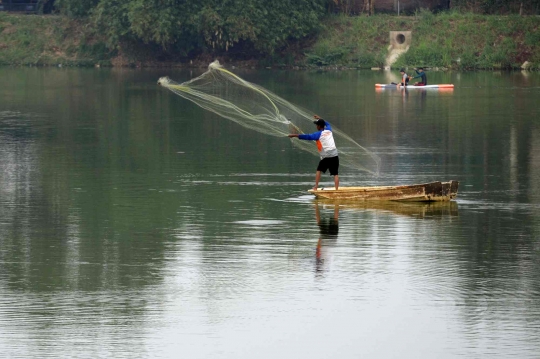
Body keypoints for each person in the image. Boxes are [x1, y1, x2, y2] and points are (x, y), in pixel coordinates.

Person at [288, 115, 339, 191]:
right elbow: (327, 123)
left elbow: (308, 137)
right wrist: (320, 118)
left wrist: (294, 135)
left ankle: (316, 187)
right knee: (335, 174)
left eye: (316, 125)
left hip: (326, 156)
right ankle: (337, 190)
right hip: (335, 155)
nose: (316, 126)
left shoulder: (318, 134)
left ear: (319, 126)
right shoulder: (329, 130)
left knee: (319, 170)